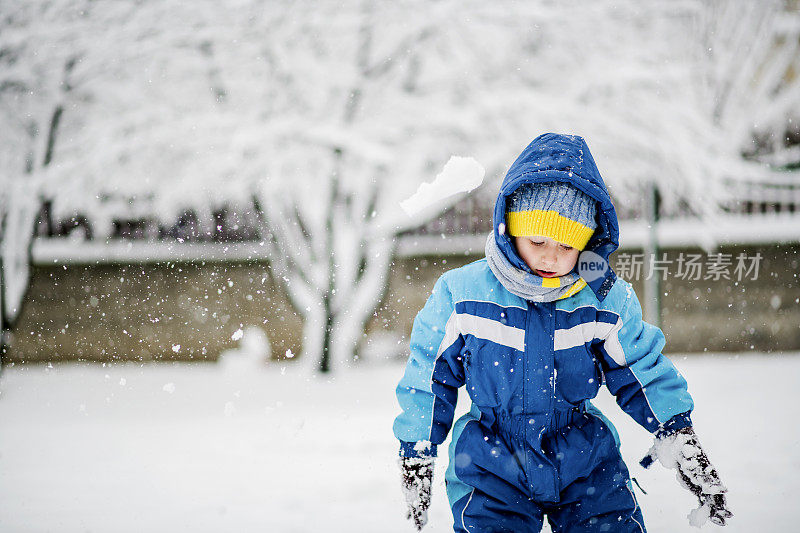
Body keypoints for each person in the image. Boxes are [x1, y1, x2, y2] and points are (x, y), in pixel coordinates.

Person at [393, 133, 732, 532]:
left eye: (568, 246)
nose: (551, 257)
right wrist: (417, 451)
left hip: (584, 459)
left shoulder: (602, 296)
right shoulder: (463, 294)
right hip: (490, 462)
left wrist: (678, 434)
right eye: (537, 240)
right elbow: (428, 376)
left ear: (588, 244)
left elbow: (640, 367)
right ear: (510, 229)